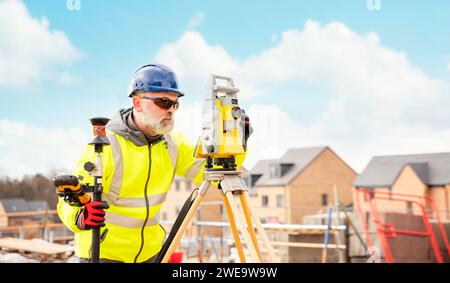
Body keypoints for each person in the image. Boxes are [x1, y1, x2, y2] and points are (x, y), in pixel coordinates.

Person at [57, 64, 249, 263]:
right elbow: (68, 198)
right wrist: (80, 218)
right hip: (104, 254)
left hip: (151, 254)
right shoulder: (106, 144)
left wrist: (236, 141)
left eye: (175, 104)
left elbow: (208, 171)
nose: (171, 110)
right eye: (164, 102)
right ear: (138, 103)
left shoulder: (173, 144)